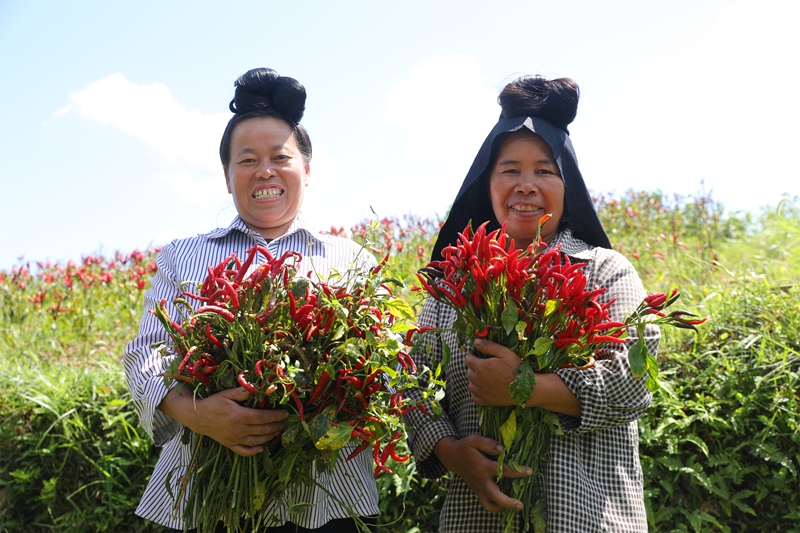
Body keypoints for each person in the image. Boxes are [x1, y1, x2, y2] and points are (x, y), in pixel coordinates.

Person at [124, 68, 379, 532]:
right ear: (227, 177)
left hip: (328, 497)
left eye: (280, 157)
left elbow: (379, 367)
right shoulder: (184, 255)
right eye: (247, 160)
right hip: (210, 496)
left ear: (306, 170)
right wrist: (196, 413)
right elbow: (146, 353)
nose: (265, 171)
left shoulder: (351, 259)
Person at [403, 75, 660, 532]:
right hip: (475, 520)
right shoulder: (453, 285)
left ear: (567, 185)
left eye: (544, 171)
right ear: (487, 184)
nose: (526, 185)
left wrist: (524, 387)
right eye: (509, 170)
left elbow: (632, 380)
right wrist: (451, 452)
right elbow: (412, 383)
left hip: (589, 520)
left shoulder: (605, 272)